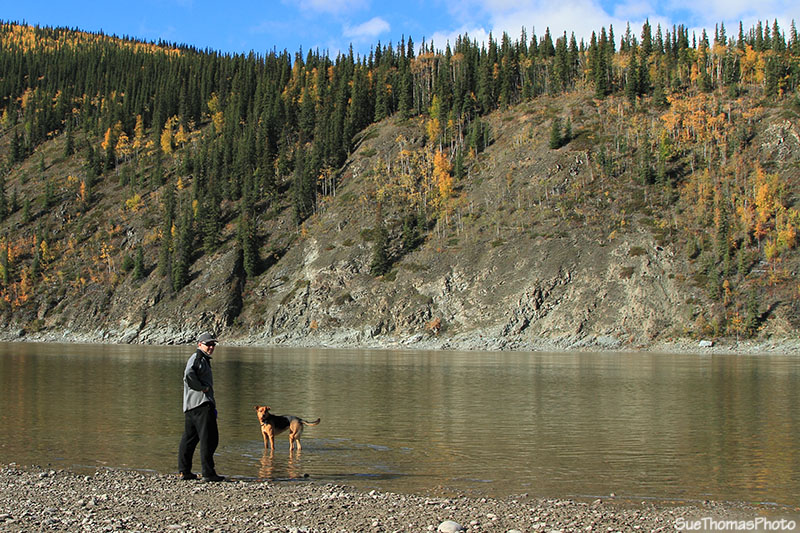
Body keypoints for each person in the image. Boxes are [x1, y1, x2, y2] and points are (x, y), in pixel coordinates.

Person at [178, 331, 225, 482]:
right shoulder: (198, 358)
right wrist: (201, 387)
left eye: (213, 344)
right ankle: (208, 473)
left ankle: (184, 471)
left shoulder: (201, 358)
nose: (211, 347)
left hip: (191, 407)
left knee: (189, 439)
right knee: (210, 439)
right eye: (208, 344)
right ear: (199, 344)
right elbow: (188, 374)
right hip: (202, 405)